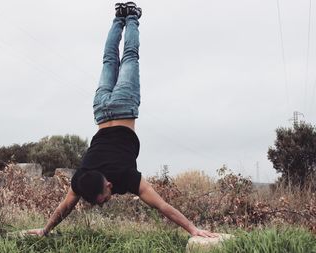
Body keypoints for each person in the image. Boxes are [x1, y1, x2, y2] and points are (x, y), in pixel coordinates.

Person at [28, 2, 217, 238]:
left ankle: (132, 18)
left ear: (107, 185)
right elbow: (66, 207)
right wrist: (45, 230)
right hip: (101, 109)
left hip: (123, 104)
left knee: (129, 57)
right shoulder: (82, 179)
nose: (104, 203)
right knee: (109, 60)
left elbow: (162, 206)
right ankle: (119, 17)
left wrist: (192, 229)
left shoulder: (125, 177)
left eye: (103, 199)